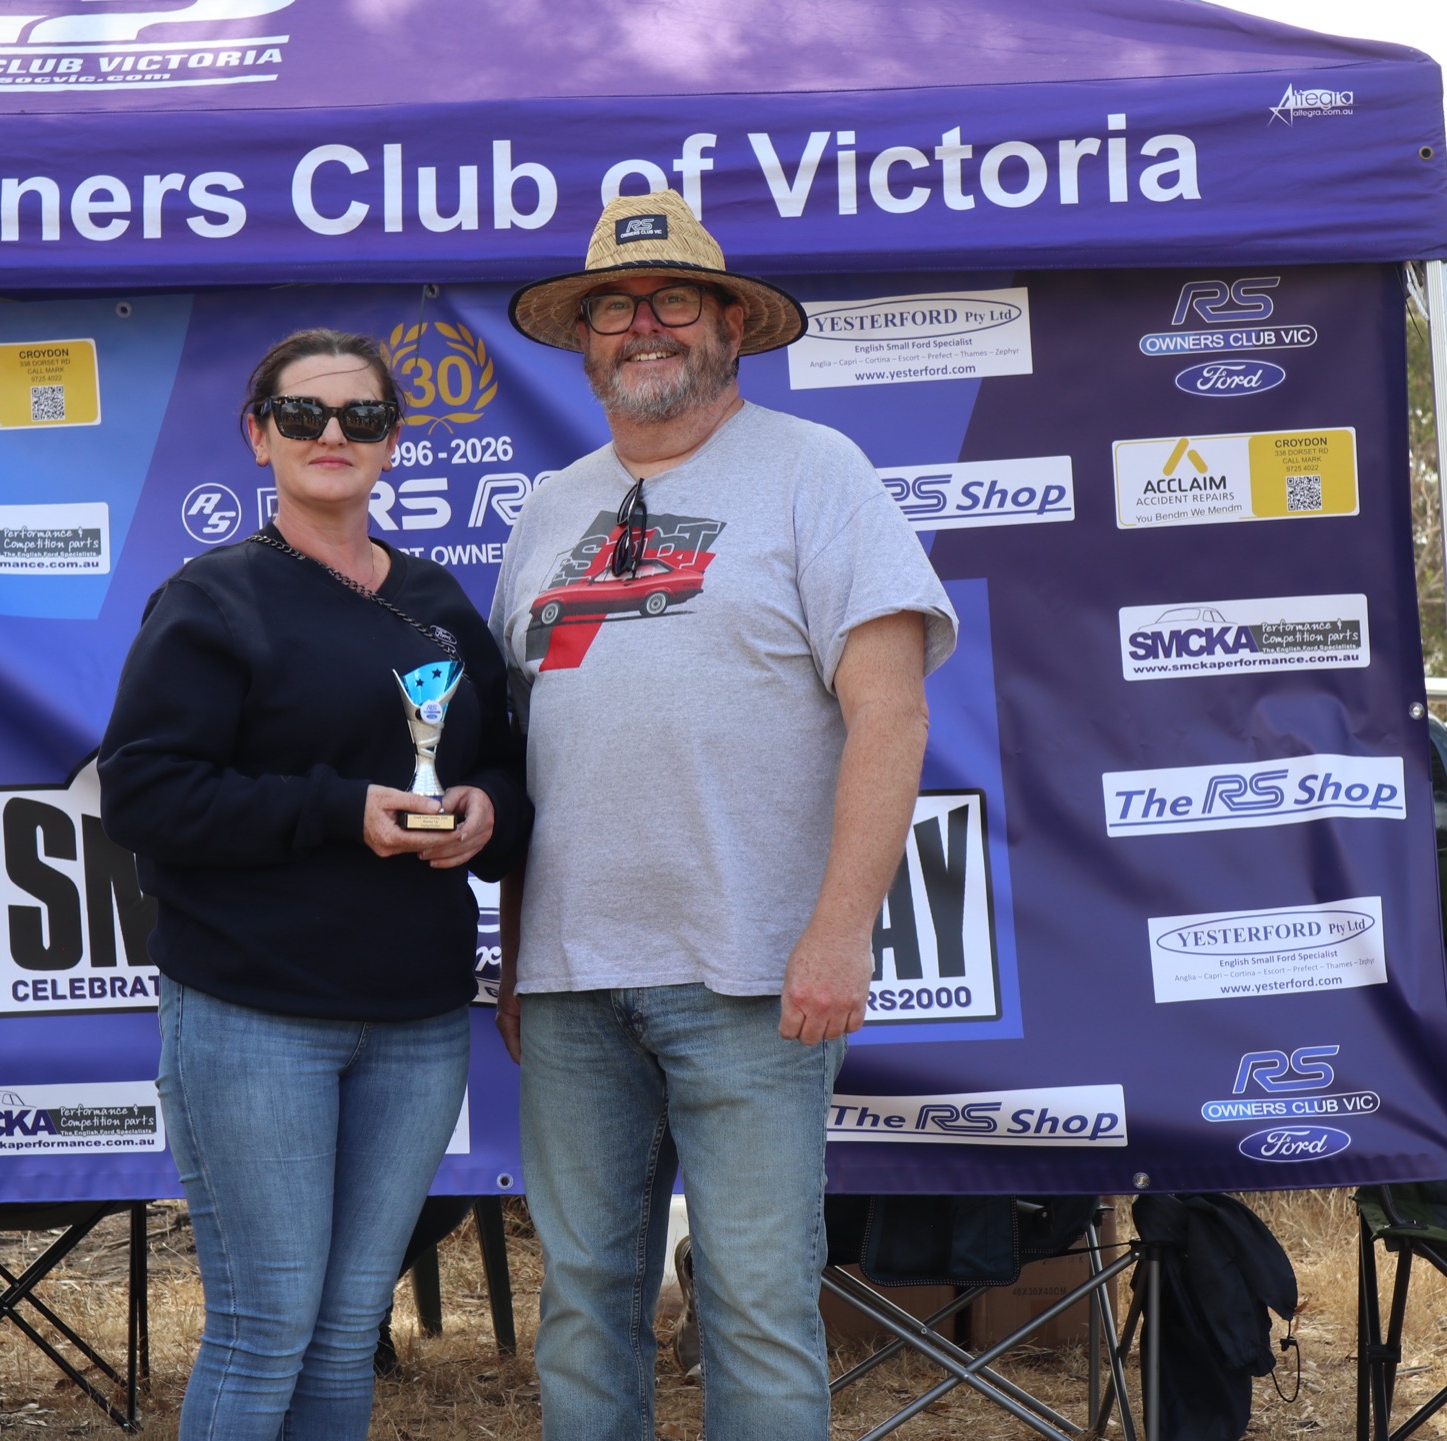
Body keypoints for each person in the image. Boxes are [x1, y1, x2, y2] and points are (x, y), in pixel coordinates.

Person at [489, 191, 958, 1440]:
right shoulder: (548, 507)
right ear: (583, 342)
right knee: (584, 1308)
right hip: (573, 985)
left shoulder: (818, 471)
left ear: (730, 326)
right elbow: (525, 752)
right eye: (613, 306)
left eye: (674, 300)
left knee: (755, 1306)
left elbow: (892, 714)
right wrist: (519, 951)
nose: (643, 326)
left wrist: (839, 934)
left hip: (755, 978)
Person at [98, 327, 528, 1441]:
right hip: (255, 1012)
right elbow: (142, 794)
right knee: (265, 1325)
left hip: (417, 1018)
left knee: (343, 1331)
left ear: (393, 440)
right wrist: (341, 811)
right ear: (260, 436)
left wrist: (484, 809)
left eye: (361, 416)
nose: (333, 433)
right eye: (303, 414)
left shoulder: (438, 601)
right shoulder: (213, 599)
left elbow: (508, 768)